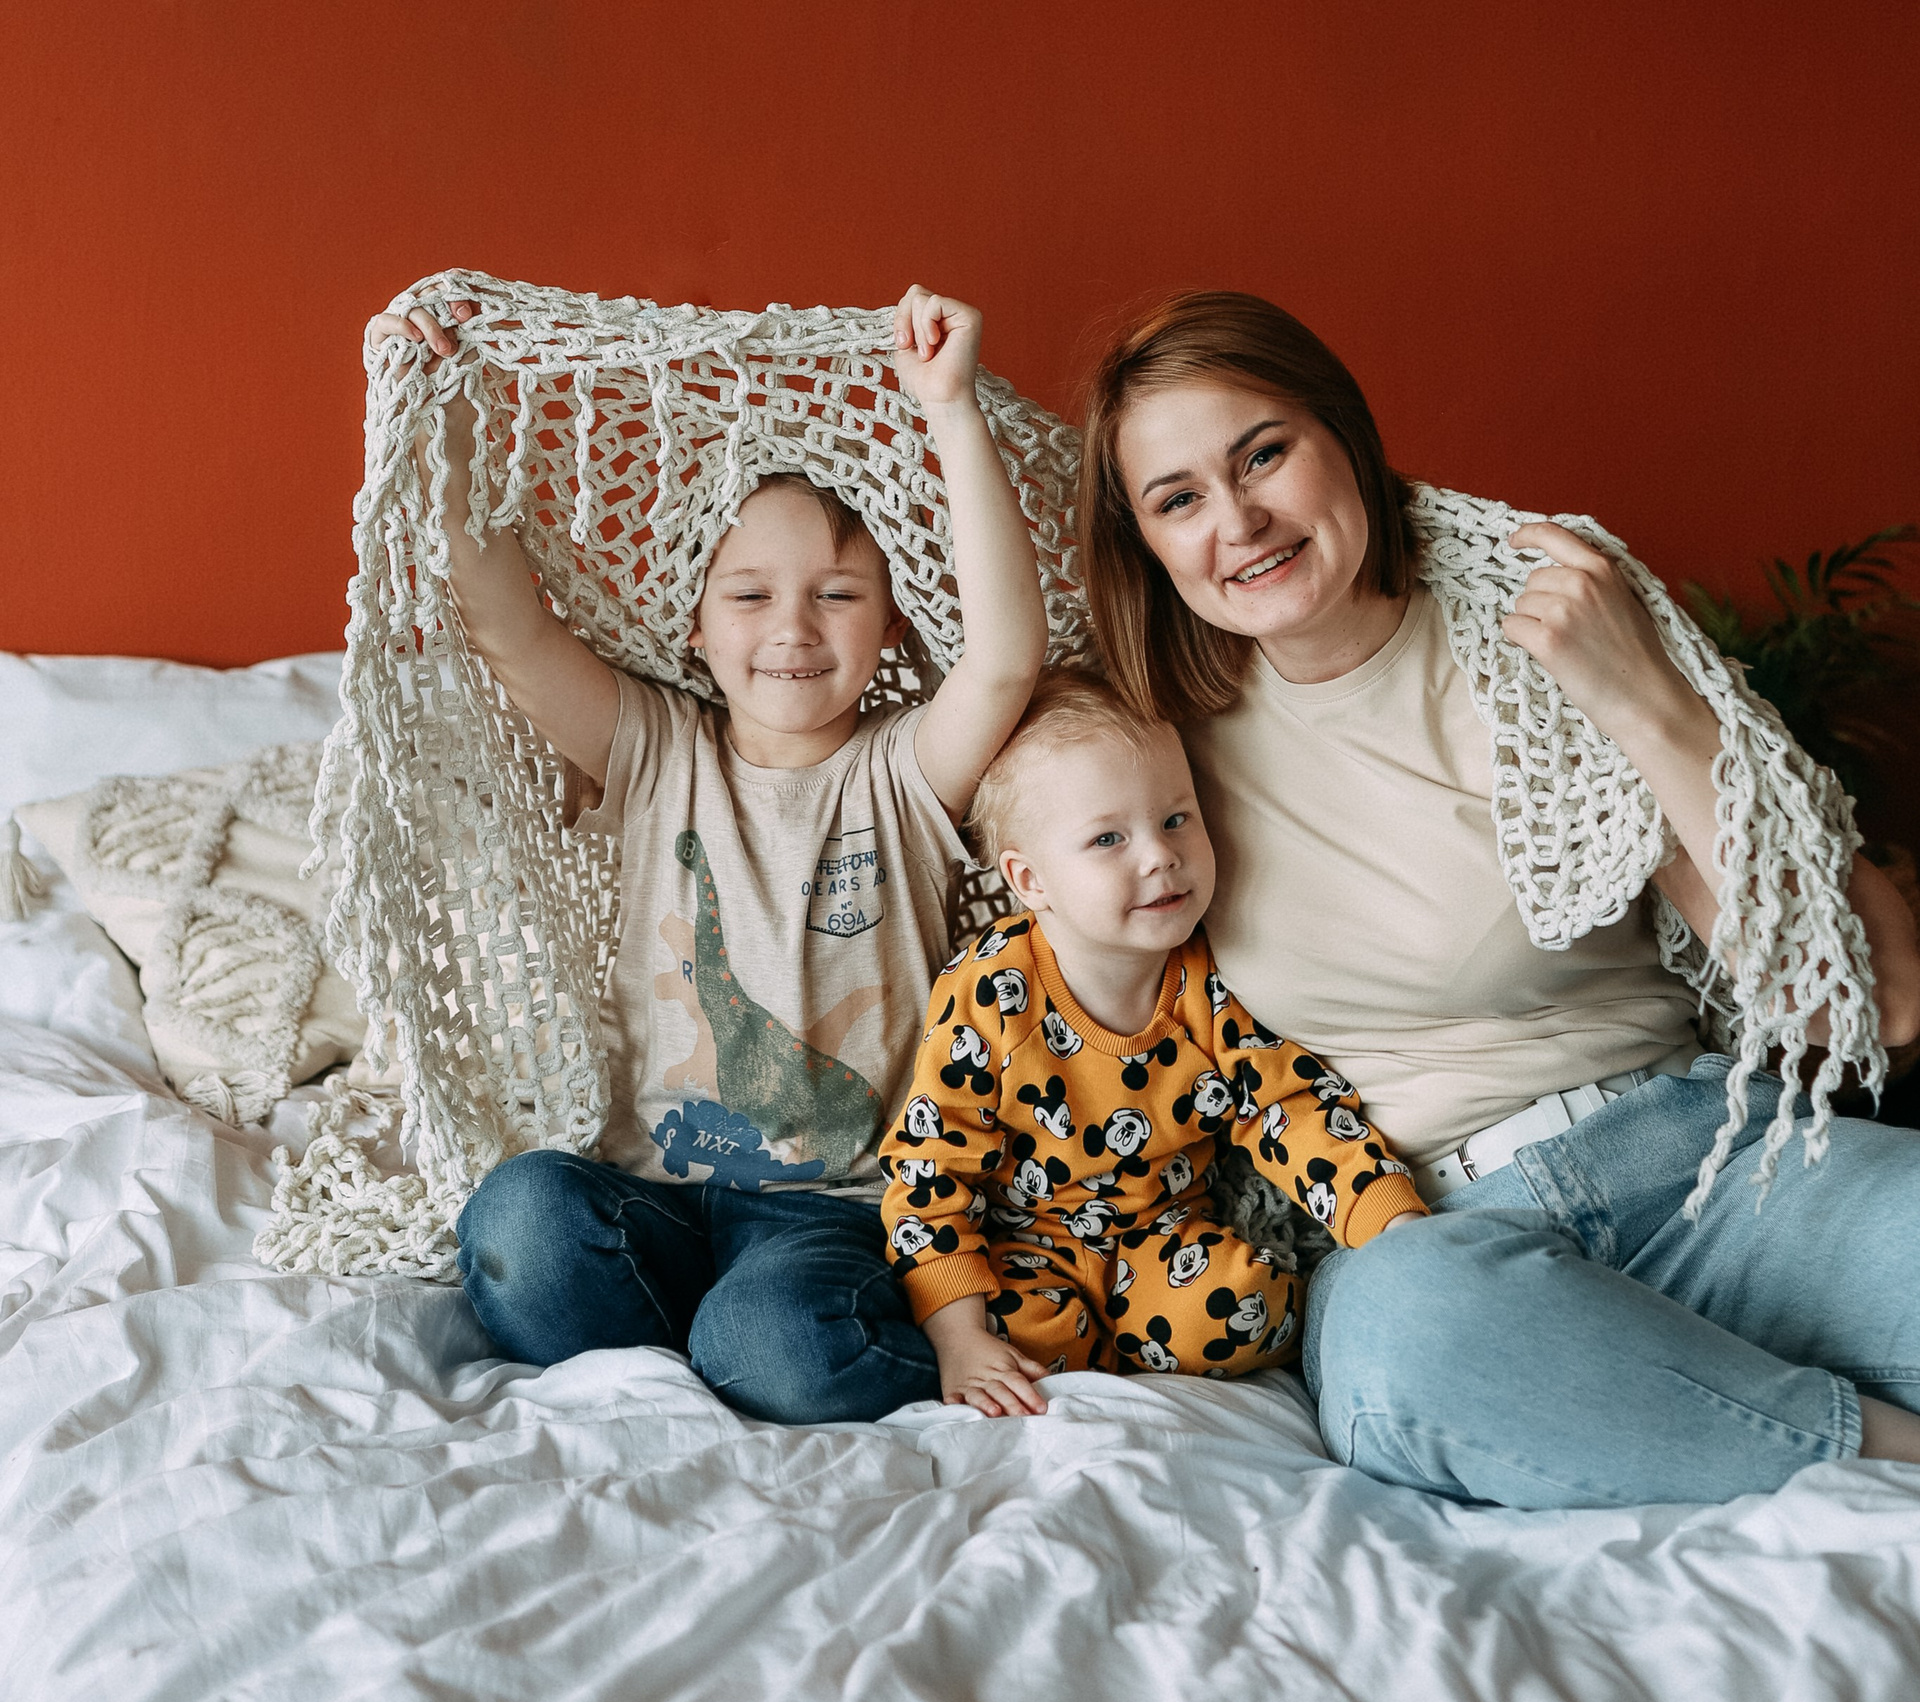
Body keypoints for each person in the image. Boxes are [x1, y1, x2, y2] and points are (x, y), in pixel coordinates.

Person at [1076, 289, 1920, 1508]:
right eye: (1178, 499)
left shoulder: (1546, 619)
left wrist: (1646, 699)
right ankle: (1870, 1459)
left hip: (1718, 1169)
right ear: (1147, 543)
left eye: (1262, 453)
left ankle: (1688, 1413)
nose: (1239, 521)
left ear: (1344, 434)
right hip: (1431, 1232)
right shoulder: (1145, 745)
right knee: (1411, 1348)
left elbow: (1870, 1007)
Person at [373, 282, 1047, 1424]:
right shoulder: (651, 748)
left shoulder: (904, 773)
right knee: (518, 1224)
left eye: (838, 595)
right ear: (695, 622)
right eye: (750, 595)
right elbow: (507, 626)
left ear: (891, 624)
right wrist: (440, 424)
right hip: (659, 1198)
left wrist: (950, 410)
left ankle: (763, 1339)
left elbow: (1006, 659)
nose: (792, 628)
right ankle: (697, 1344)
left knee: (779, 1348)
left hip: (838, 1207)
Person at [880, 671, 1424, 1417]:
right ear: (1031, 880)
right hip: (1025, 1244)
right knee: (1015, 1342)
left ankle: (1141, 1348)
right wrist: (958, 1335)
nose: (1160, 856)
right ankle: (1066, 1353)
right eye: (1108, 838)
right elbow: (931, 1166)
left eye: (1175, 819)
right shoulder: (991, 991)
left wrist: (1390, 1221)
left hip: (1163, 1237)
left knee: (1245, 1307)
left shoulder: (1213, 978)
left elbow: (1287, 1110)